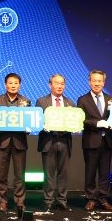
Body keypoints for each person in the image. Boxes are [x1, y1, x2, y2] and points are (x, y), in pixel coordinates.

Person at [76, 70, 112, 212]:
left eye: (100, 81)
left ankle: (103, 198)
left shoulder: (110, 98)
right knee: (90, 172)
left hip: (107, 140)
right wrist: (97, 123)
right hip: (91, 140)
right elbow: (81, 119)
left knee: (105, 172)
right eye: (94, 80)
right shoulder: (82, 100)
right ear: (89, 82)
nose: (97, 83)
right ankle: (91, 199)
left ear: (104, 83)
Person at [0, 72, 31, 212]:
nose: (13, 85)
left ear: (20, 85)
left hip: (19, 142)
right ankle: (2, 202)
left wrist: (28, 127)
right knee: (1, 175)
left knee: (19, 175)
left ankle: (20, 202)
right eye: (10, 83)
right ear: (5, 85)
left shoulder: (26, 101)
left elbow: (29, 121)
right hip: (2, 141)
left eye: (16, 83)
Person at [36, 73, 75, 212]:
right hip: (48, 140)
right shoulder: (42, 101)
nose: (59, 86)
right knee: (49, 174)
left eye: (62, 84)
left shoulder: (70, 103)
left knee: (63, 174)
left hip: (64, 141)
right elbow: (37, 120)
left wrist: (75, 126)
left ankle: (62, 200)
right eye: (56, 83)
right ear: (50, 85)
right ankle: (48, 201)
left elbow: (74, 121)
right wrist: (43, 126)